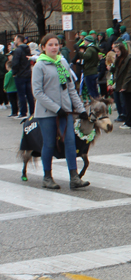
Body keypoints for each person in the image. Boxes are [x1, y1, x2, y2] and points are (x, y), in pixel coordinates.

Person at [31, 33, 89, 190]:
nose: (54, 47)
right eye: (50, 45)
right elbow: (37, 92)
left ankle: (74, 177)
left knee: (70, 142)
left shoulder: (62, 64)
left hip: (66, 112)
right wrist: (56, 108)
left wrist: (81, 109)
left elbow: (70, 89)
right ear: (43, 47)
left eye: (56, 44)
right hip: (47, 113)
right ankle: (47, 177)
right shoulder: (39, 66)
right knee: (49, 143)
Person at [112, 42, 131, 129]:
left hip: (129, 85)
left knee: (128, 104)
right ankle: (127, 121)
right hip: (122, 83)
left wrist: (124, 85)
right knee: (125, 103)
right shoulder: (120, 59)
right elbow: (115, 70)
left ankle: (129, 122)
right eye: (115, 52)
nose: (117, 53)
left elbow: (130, 73)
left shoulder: (130, 59)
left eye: (118, 51)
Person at [11, 34, 35, 119]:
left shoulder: (18, 50)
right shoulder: (27, 49)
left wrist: (14, 72)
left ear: (18, 40)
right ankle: (32, 111)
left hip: (20, 74)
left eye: (15, 39)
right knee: (29, 94)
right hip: (28, 73)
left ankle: (23, 112)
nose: (14, 41)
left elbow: (15, 63)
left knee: (21, 94)